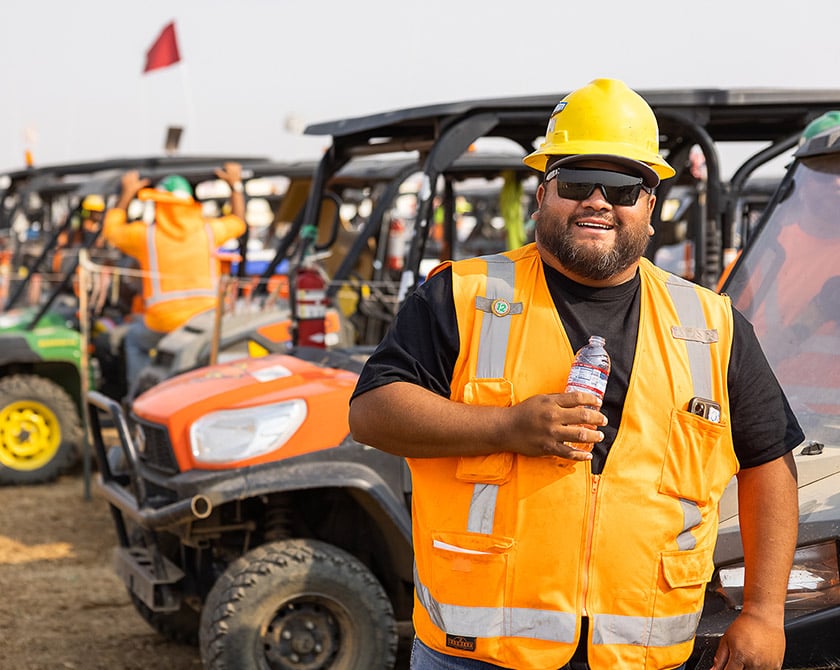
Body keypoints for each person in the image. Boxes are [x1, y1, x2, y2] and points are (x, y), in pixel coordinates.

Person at [348, 78, 802, 670]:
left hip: (642, 654)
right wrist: (505, 427)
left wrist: (765, 613)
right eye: (575, 182)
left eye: (620, 185)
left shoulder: (711, 324)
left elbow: (769, 461)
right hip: (477, 653)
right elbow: (372, 412)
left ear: (649, 206)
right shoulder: (464, 294)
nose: (597, 200)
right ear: (542, 195)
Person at [102, 162, 246, 399]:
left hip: (163, 321)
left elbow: (111, 230)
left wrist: (127, 192)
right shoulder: (208, 231)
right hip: (206, 319)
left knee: (134, 341)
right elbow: (239, 221)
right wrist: (235, 185)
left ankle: (140, 397)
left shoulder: (146, 236)